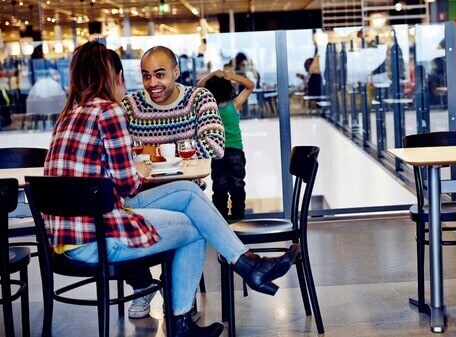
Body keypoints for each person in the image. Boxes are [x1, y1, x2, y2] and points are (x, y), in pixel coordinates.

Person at [46, 43, 301, 337]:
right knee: (193, 226)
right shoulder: (109, 112)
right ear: (115, 77)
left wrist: (135, 164)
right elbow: (127, 184)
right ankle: (183, 320)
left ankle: (247, 263)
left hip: (67, 240)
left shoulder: (67, 115)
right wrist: (134, 168)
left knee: (186, 191)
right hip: (98, 240)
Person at [197, 69, 254, 221]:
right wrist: (232, 76)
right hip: (235, 150)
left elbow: (198, 88)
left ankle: (221, 220)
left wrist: (211, 75)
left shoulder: (210, 108)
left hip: (217, 152)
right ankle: (238, 218)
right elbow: (250, 85)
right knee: (237, 185)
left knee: (219, 187)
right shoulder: (234, 105)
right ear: (229, 89)